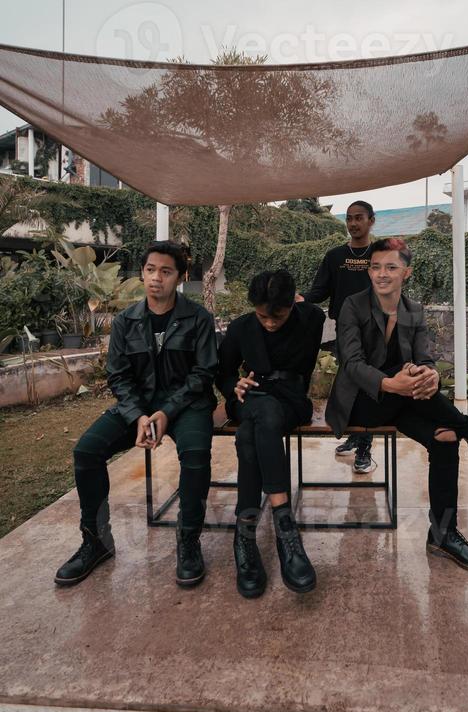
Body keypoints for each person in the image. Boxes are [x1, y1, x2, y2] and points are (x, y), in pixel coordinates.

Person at [326, 237, 468, 575]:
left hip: (404, 400)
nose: (381, 274)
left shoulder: (413, 310)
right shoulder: (352, 306)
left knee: (445, 437)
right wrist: (392, 383)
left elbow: (425, 358)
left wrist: (429, 375)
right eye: (375, 267)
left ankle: (443, 534)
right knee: (409, 385)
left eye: (390, 267)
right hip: (362, 402)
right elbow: (353, 363)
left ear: (407, 272)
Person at [54, 241, 219, 589]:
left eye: (165, 271)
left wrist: (166, 411)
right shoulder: (126, 321)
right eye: (150, 270)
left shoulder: (198, 318)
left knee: (195, 456)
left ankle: (188, 541)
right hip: (138, 405)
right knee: (87, 450)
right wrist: (138, 416)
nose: (156, 278)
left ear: (180, 277)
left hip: (187, 405)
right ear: (142, 273)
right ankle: (95, 541)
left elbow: (203, 374)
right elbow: (118, 375)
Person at [217, 269, 325, 598]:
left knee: (250, 433)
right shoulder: (240, 328)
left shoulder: (311, 318)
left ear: (293, 302)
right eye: (262, 315)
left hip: (291, 401)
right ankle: (285, 529)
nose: (269, 322)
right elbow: (221, 373)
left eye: (277, 315)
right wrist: (233, 384)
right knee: (260, 416)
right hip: (250, 398)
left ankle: (245, 536)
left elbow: (316, 309)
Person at [298, 200, 377, 473]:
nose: (353, 223)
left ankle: (365, 445)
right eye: (349, 218)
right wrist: (302, 299)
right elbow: (319, 291)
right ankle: (356, 434)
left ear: (371, 221)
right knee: (349, 383)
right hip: (345, 330)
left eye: (359, 218)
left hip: (375, 331)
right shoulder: (334, 257)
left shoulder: (379, 254)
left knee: (367, 385)